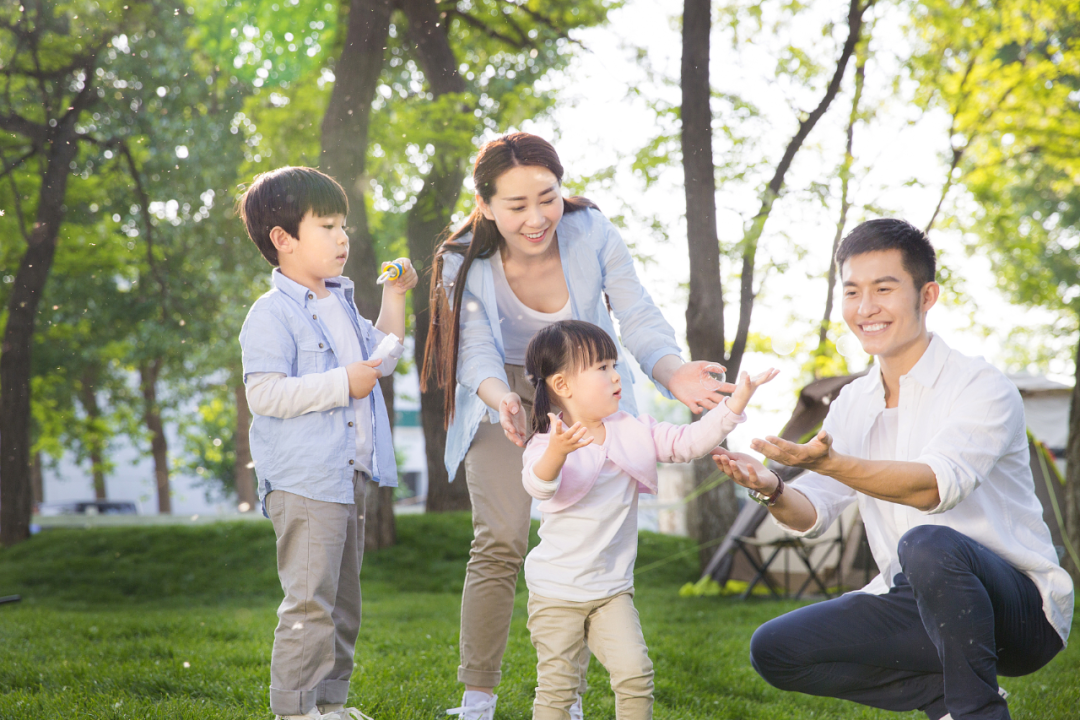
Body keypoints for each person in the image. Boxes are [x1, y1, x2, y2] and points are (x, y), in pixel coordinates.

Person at [421, 133, 734, 720]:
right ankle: (478, 698)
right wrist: (503, 402)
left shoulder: (591, 233)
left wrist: (674, 371)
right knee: (502, 538)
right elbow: (474, 351)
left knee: (600, 533)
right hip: (501, 388)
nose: (537, 218)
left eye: (548, 197)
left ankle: (569, 695)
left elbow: (635, 313)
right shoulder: (460, 259)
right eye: (516, 205)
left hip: (583, 382)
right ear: (485, 204)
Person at [713, 218, 1073, 720]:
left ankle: (977, 713)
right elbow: (812, 511)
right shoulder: (853, 401)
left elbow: (931, 490)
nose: (866, 309)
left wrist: (835, 463)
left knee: (927, 542)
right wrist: (771, 487)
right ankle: (949, 704)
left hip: (1019, 610)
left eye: (884, 289)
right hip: (916, 599)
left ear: (927, 296)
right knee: (775, 648)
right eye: (853, 292)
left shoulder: (980, 385)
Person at [520, 320, 777, 720]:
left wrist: (734, 405)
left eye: (613, 365)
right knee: (559, 689)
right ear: (563, 385)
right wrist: (557, 451)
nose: (615, 376)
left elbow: (688, 443)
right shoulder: (546, 442)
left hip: (611, 592)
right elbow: (539, 485)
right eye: (601, 368)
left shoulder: (633, 430)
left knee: (636, 675)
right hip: (556, 594)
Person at [237, 166, 418, 720]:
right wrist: (343, 383)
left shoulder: (339, 302)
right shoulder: (270, 315)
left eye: (345, 226)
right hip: (305, 480)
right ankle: (294, 710)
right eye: (328, 226)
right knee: (310, 603)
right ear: (283, 240)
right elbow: (264, 394)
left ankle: (329, 704)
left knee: (343, 604)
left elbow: (381, 353)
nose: (343, 238)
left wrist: (395, 292)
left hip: (346, 475)